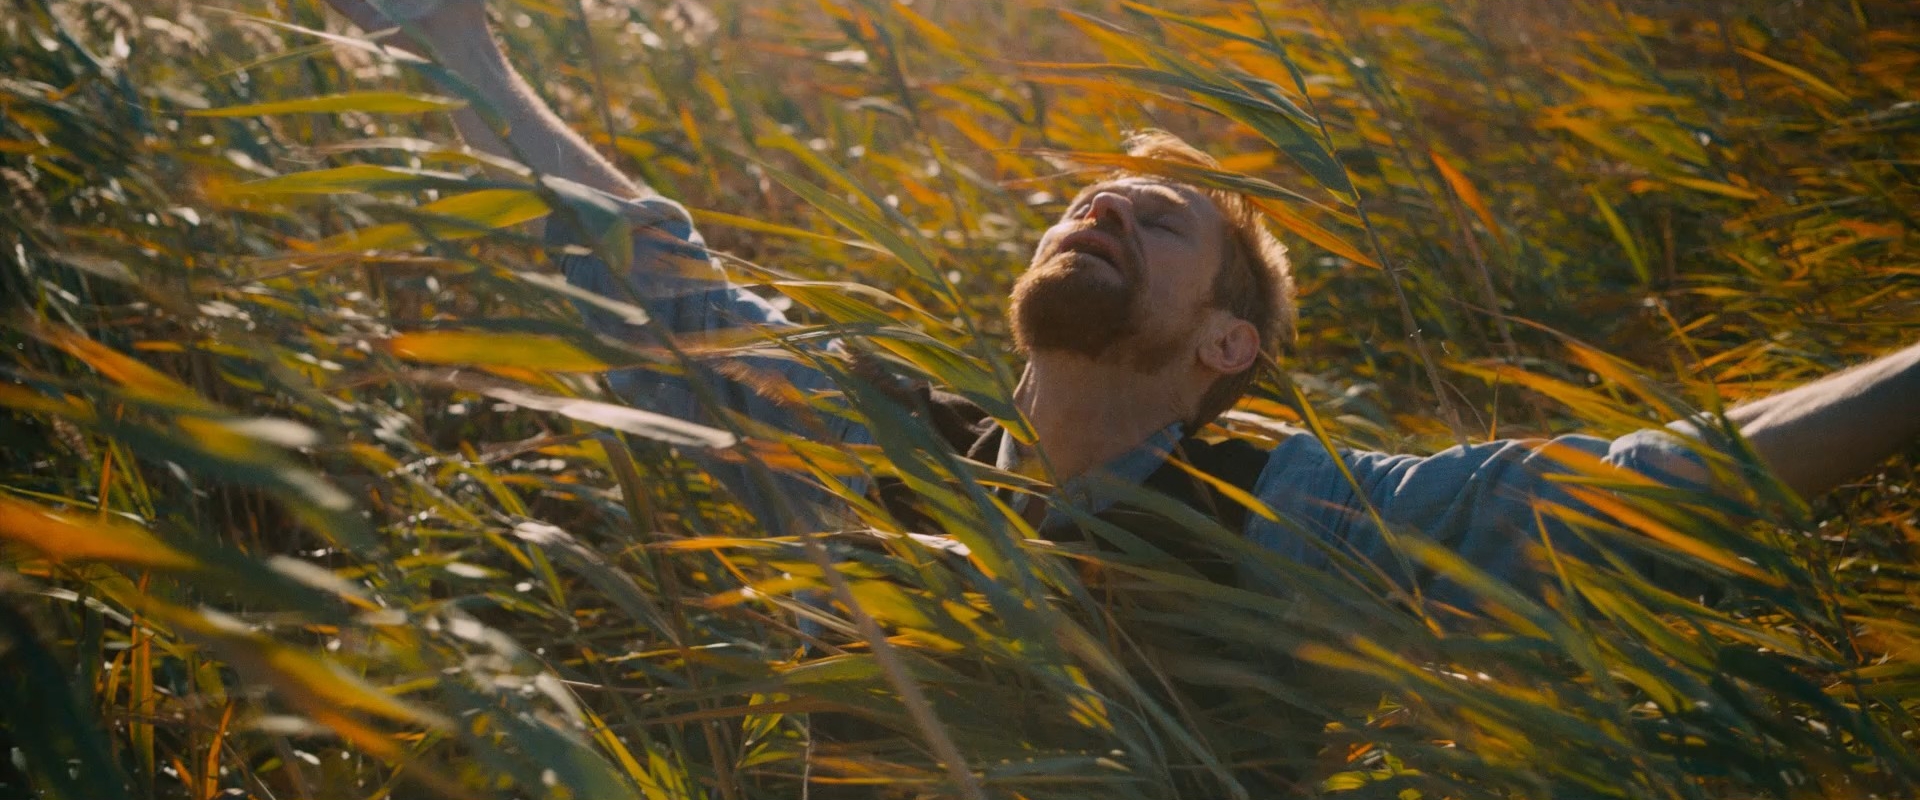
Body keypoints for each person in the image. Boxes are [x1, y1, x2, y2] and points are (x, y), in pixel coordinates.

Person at [319, 0, 1920, 603]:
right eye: (1090, 201)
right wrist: (453, 42)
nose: (1100, 211)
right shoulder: (888, 440)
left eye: (1158, 225)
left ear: (1227, 345)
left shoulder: (1289, 510)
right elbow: (654, 265)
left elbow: (1646, 487)